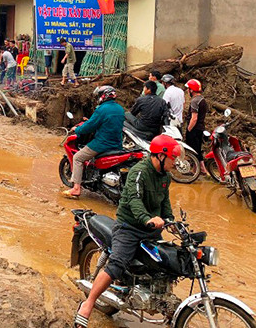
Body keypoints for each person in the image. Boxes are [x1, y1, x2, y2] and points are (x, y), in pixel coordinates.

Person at [74, 135, 181, 327]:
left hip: (152, 229)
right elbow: (134, 200)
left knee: (165, 264)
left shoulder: (166, 176)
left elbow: (165, 202)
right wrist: (147, 219)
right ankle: (88, 303)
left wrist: (171, 221)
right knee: (117, 264)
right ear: (161, 156)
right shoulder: (139, 172)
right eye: (173, 158)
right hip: (129, 227)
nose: (176, 163)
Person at [63, 86, 125, 198]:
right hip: (117, 144)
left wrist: (77, 129)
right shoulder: (120, 109)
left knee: (78, 157)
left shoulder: (101, 109)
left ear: (103, 96)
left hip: (102, 144)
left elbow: (89, 127)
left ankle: (76, 188)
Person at [184, 79, 207, 164]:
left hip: (194, 129)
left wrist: (189, 130)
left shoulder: (195, 101)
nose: (187, 91)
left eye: (188, 89)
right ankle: (199, 169)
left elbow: (194, 118)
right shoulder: (202, 99)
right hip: (200, 128)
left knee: (193, 150)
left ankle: (199, 169)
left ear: (191, 90)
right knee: (197, 148)